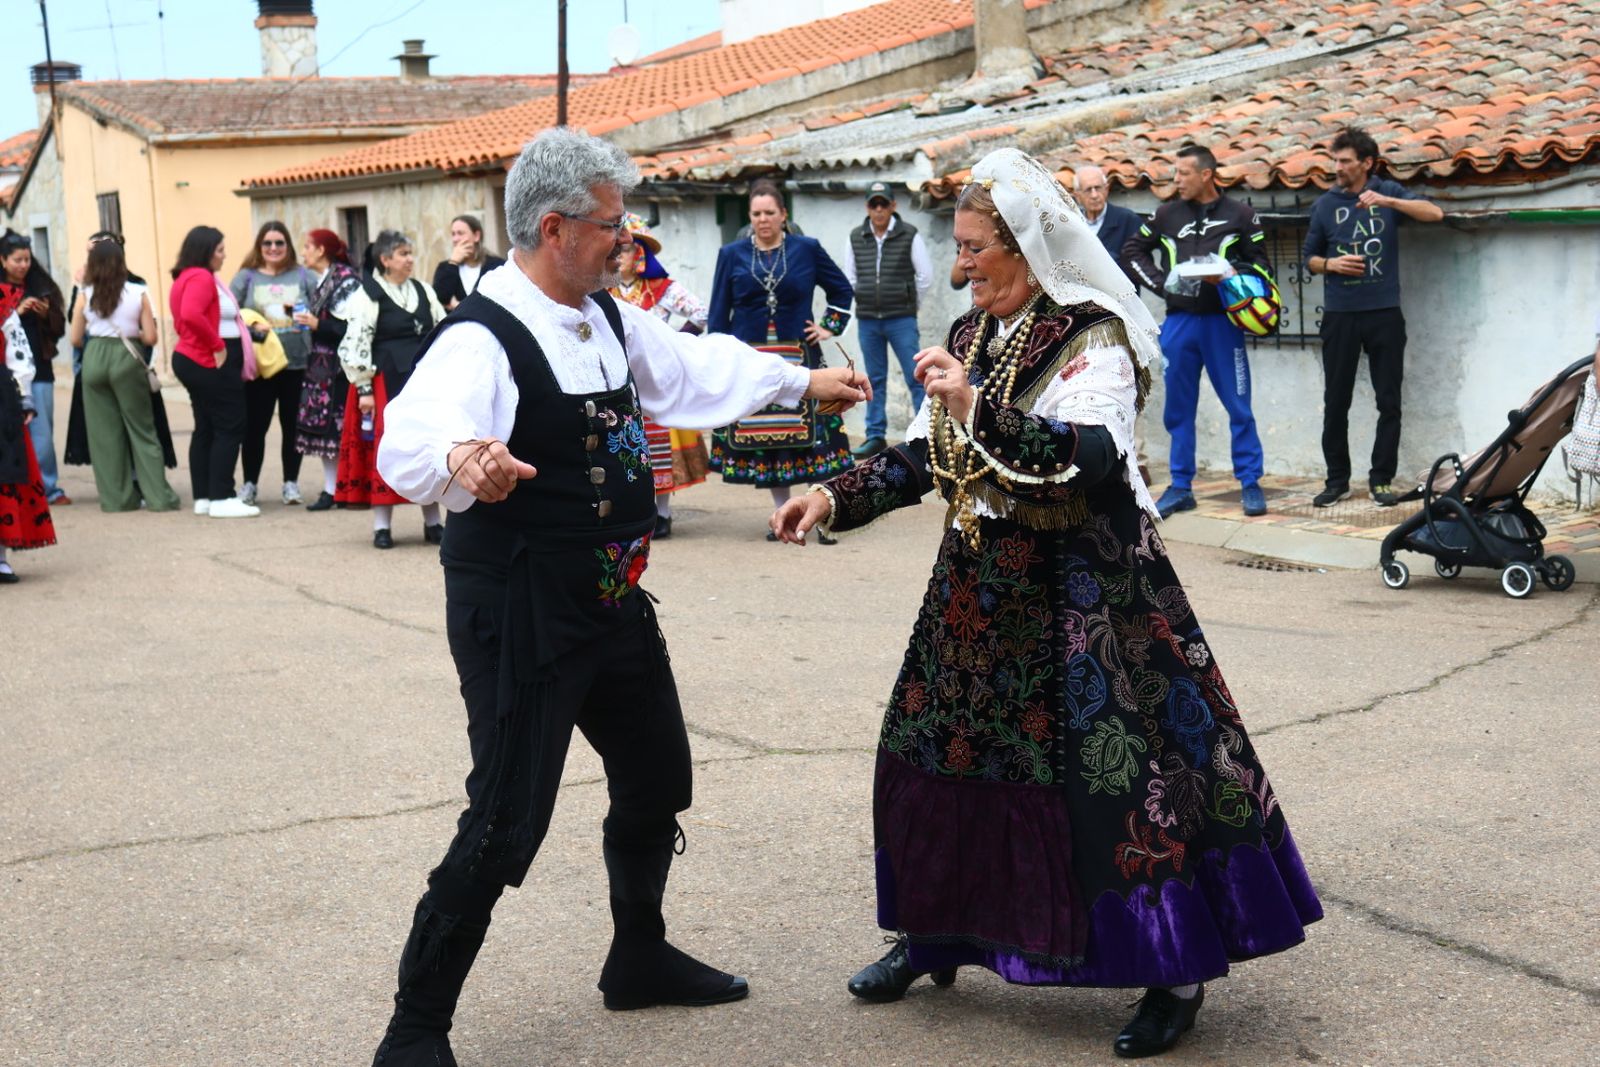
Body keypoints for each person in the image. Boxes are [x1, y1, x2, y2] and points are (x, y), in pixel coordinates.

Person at [773, 147, 1321, 1060]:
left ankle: (1173, 972)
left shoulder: (1092, 335)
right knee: (929, 751)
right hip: (980, 590)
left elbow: (1089, 456)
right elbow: (920, 453)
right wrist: (834, 496)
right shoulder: (975, 329)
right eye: (959, 246)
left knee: (1119, 781)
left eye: (977, 247)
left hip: (1087, 591)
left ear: (1027, 248)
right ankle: (935, 932)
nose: (961, 264)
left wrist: (976, 409)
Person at [369, 127, 870, 1066]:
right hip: (519, 606)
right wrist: (457, 455)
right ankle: (415, 1024)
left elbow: (692, 366)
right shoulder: (482, 334)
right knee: (506, 817)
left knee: (656, 778)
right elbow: (413, 429)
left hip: (608, 596)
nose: (627, 239)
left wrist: (803, 380)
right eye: (612, 224)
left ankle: (636, 955)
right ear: (554, 228)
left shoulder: (604, 314)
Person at [1122, 144, 1275, 518]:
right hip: (1180, 323)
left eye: (1183, 174)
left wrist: (1229, 276)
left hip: (1223, 323)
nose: (1177, 181)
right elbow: (1132, 251)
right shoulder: (1166, 214)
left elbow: (1263, 269)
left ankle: (1250, 482)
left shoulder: (1242, 215)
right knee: (1178, 409)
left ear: (1206, 174)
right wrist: (1163, 285)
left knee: (1239, 404)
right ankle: (1181, 485)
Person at [707, 179, 855, 540]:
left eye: (769, 213)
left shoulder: (806, 249)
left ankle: (822, 517)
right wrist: (719, 355)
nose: (763, 220)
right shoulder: (732, 254)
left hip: (799, 354)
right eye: (756, 213)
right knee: (770, 437)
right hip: (752, 357)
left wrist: (827, 327)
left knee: (816, 434)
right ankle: (782, 515)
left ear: (783, 215)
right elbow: (718, 313)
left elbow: (841, 289)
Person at [1303, 126, 1443, 508]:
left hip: (1384, 314)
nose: (1338, 167)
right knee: (1336, 402)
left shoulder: (1387, 193)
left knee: (1389, 401)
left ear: (1367, 163)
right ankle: (1337, 481)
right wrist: (1332, 263)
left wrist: (1388, 201)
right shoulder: (1325, 205)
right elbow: (1309, 259)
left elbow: (1434, 212)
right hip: (1340, 316)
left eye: (1345, 161)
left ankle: (1381, 480)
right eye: (1335, 160)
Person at [335, 229, 447, 548]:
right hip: (384, 382)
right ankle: (381, 527)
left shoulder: (423, 290)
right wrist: (364, 388)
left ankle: (433, 522)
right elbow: (356, 341)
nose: (410, 259)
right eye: (402, 254)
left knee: (425, 446)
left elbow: (442, 329)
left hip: (421, 382)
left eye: (410, 253)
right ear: (385, 260)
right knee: (384, 449)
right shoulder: (367, 294)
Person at [608, 213, 711, 538]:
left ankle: (662, 514)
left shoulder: (662, 288)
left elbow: (701, 311)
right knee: (623, 443)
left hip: (654, 377)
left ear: (640, 252)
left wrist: (677, 344)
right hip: (617, 379)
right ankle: (633, 510)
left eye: (626, 250)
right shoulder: (603, 288)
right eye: (616, 249)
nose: (621, 256)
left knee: (658, 445)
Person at [68, 238, 179, 512]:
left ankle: (117, 499)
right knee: (142, 429)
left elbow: (75, 339)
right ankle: (158, 497)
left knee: (104, 434)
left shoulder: (85, 294)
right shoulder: (137, 292)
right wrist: (135, 335)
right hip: (127, 356)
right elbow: (152, 337)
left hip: (94, 358)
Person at [168, 225, 260, 519]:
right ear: (206, 252)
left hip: (193, 357)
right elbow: (191, 315)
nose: (224, 255)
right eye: (220, 250)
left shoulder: (186, 276)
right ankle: (221, 495)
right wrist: (218, 345)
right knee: (230, 424)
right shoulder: (202, 277)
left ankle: (205, 496)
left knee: (206, 425)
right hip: (207, 359)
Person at [231, 221, 317, 506]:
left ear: (288, 246)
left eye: (279, 243)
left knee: (293, 426)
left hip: (296, 364)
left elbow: (321, 311)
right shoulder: (247, 277)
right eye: (267, 243)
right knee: (255, 427)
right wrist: (252, 330)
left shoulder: (304, 277)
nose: (273, 248)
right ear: (259, 246)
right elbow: (232, 314)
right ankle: (250, 485)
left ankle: (290, 483)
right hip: (261, 367)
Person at [844, 181, 932, 458]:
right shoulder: (857, 236)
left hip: (901, 319)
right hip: (869, 319)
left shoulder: (909, 234)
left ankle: (925, 435)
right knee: (873, 379)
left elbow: (925, 278)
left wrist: (908, 304)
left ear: (893, 206)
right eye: (874, 204)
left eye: (884, 203)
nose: (879, 209)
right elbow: (851, 278)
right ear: (868, 207)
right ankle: (874, 435)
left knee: (915, 375)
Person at [293, 228, 362, 511]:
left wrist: (317, 325)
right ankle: (331, 488)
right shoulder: (325, 278)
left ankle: (340, 488)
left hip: (338, 368)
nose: (304, 251)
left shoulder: (345, 281)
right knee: (325, 429)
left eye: (308, 246)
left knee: (338, 427)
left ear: (321, 250)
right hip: (322, 365)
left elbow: (352, 327)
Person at [2, 231, 69, 506]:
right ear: (3, 261)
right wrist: (15, 313)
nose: (23, 265)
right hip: (5, 374)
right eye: (17, 260)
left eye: (27, 259)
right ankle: (20, 488)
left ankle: (49, 488)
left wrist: (44, 314)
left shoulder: (42, 286)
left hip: (39, 369)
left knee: (42, 433)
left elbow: (59, 329)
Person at [0, 281, 56, 581]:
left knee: (4, 476)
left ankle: (0, 558)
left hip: (1, 400)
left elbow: (18, 353)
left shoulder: (4, 304)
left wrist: (24, 397)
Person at [1073, 165, 1142, 285]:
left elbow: (1139, 264)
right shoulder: (1073, 224)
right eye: (1088, 190)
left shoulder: (1128, 220)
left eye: (1098, 188)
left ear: (1107, 189)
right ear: (1077, 196)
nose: (1094, 195)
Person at [430, 214, 506, 310]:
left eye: (460, 233)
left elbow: (500, 301)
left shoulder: (497, 265)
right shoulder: (445, 267)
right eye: (453, 234)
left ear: (476, 236)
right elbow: (441, 298)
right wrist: (453, 262)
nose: (455, 239)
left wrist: (459, 306)